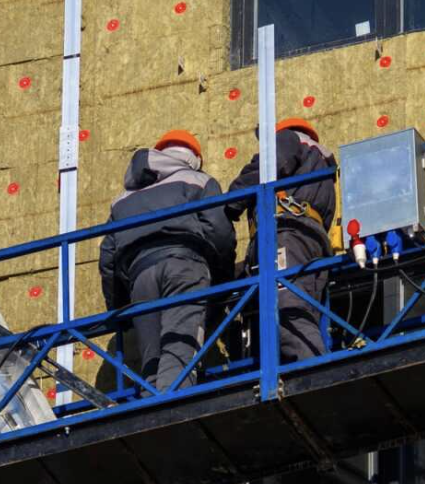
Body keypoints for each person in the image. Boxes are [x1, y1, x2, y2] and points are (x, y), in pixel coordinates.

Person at [97, 130, 236, 393]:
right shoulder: (198, 180)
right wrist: (223, 283)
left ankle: (153, 406)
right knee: (180, 349)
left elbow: (108, 259)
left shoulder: (123, 199)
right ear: (194, 157)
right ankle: (175, 410)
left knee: (152, 360)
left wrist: (118, 309)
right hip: (184, 265)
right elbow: (220, 232)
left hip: (140, 279)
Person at [225, 117, 336, 362]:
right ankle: (311, 365)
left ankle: (314, 373)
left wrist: (231, 203)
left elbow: (268, 166)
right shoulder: (323, 169)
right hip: (309, 243)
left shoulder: (288, 139)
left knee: (287, 311)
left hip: (284, 235)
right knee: (302, 311)